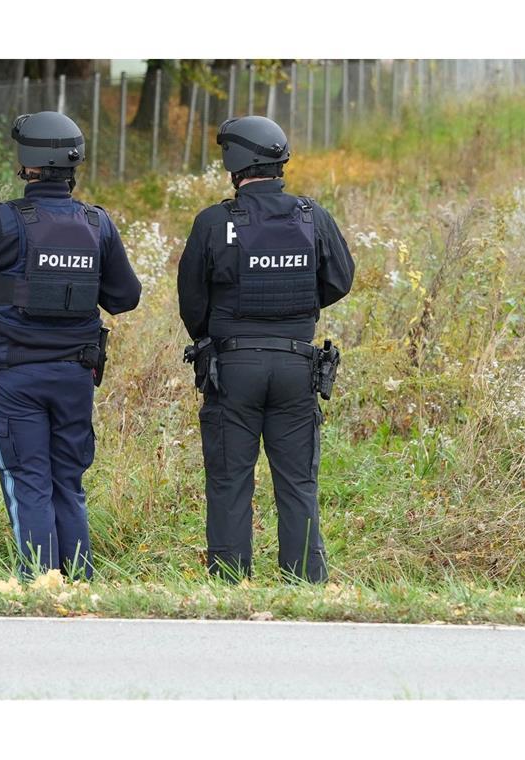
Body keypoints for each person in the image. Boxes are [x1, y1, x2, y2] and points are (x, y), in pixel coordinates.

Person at [0, 111, 141, 579]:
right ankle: (78, 584)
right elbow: (126, 297)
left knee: (29, 483)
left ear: (27, 163)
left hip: (17, 379)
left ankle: (38, 586)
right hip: (76, 377)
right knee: (68, 485)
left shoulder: (1, 222)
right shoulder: (98, 224)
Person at [177, 115, 355, 583]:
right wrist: (296, 313)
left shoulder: (215, 222)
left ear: (235, 162)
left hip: (232, 367)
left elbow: (191, 302)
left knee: (229, 481)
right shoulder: (311, 216)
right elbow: (340, 280)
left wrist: (225, 330)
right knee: (298, 483)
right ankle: (303, 583)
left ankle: (231, 583)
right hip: (298, 363)